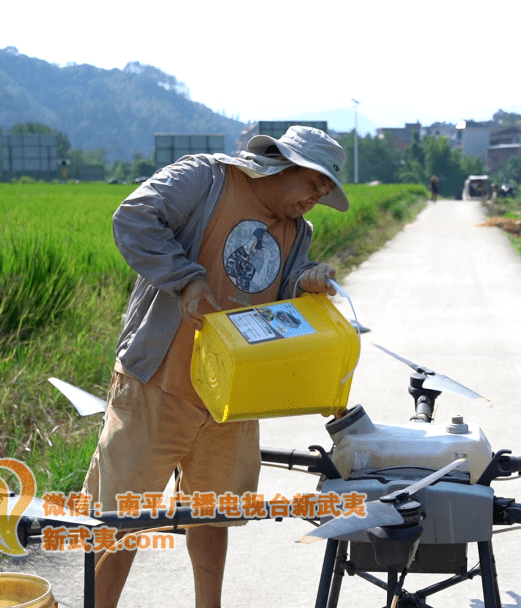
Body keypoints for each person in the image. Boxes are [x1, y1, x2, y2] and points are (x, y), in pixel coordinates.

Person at [82, 126, 350, 608]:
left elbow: (277, 302)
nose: (317, 198)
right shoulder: (205, 179)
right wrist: (185, 282)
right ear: (286, 165)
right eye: (315, 184)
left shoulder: (297, 230)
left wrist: (305, 285)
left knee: (212, 515)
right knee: (120, 518)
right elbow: (134, 217)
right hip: (159, 384)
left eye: (326, 190)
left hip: (232, 396)